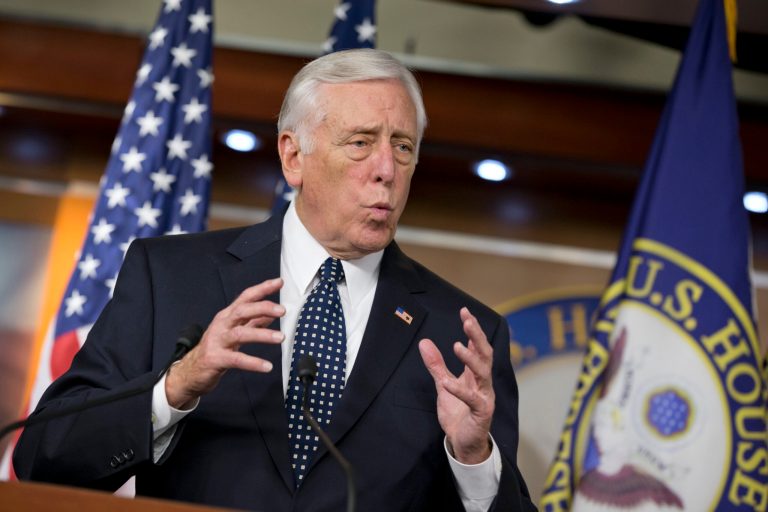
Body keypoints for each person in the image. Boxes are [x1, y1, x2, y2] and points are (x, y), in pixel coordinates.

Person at [14, 49, 536, 512]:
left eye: (403, 147)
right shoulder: (171, 277)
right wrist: (175, 387)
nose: (386, 169)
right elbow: (43, 458)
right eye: (360, 142)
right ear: (293, 156)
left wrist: (473, 460)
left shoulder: (464, 334)